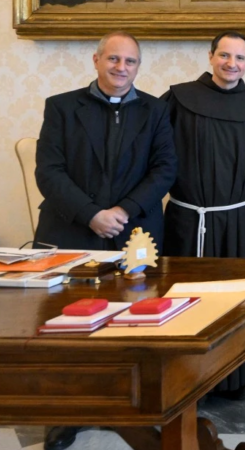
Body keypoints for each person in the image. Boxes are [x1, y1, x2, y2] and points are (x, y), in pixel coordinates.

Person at [34, 32, 176, 450]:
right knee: (70, 328)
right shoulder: (61, 107)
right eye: (113, 59)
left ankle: (130, 408)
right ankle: (67, 415)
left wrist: (124, 210)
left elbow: (165, 168)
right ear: (96, 60)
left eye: (130, 61)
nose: (121, 68)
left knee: (133, 324)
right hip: (70, 231)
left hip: (134, 234)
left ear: (138, 66)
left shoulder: (155, 110)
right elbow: (49, 171)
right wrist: (91, 214)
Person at [162, 30, 245, 400]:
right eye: (224, 55)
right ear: (210, 57)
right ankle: (184, 380)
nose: (231, 64)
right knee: (185, 302)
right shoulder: (178, 99)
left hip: (238, 220)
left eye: (240, 58)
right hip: (189, 220)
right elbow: (154, 152)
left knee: (234, 302)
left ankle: (231, 379)